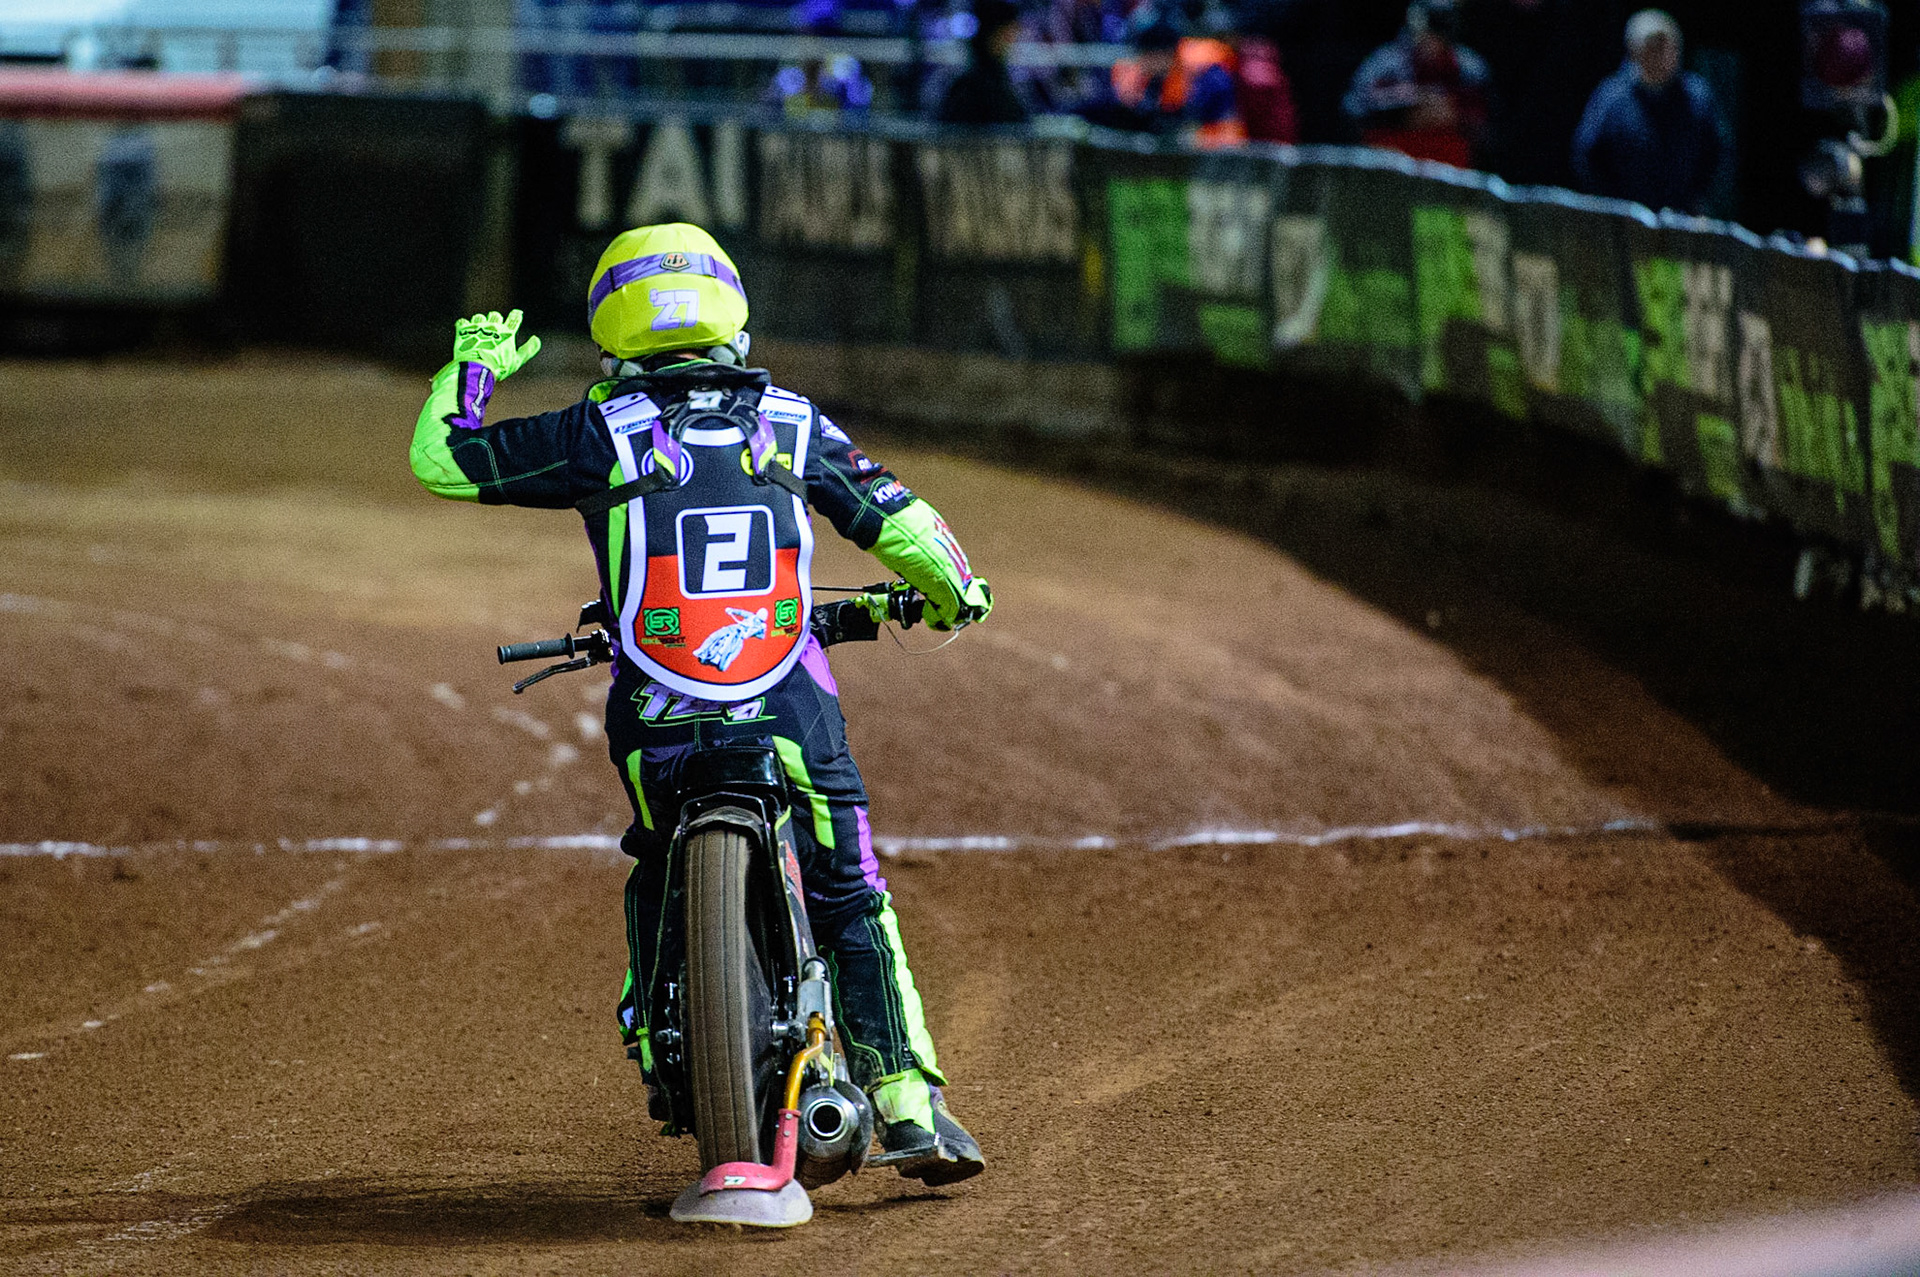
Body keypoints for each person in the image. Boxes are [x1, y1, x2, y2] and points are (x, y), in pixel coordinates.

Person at [407, 223, 993, 1185]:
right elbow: (905, 526)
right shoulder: (795, 425)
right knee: (849, 890)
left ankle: (659, 1031)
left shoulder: (599, 429)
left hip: (660, 715)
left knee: (651, 853)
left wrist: (470, 368)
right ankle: (908, 1103)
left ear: (612, 329)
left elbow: (444, 459)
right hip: (789, 704)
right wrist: (954, 593)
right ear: (734, 319)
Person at [1572, 9, 1723, 215]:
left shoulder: (1696, 97)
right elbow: (1588, 153)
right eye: (1654, 47)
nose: (1662, 55)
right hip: (1624, 219)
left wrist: (1697, 196)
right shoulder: (1612, 97)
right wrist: (1608, 202)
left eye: (1668, 47)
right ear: (1634, 51)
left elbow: (1717, 153)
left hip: (1681, 217)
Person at [1342, 0, 1490, 168]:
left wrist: (1451, 110)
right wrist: (1408, 104)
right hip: (1392, 154)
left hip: (1448, 159)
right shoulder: (1386, 63)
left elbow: (1485, 125)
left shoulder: (1469, 67)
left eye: (1434, 33)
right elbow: (1353, 108)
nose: (1426, 40)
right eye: (1420, 32)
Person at [1086, 8, 1247, 148]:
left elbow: (1229, 134)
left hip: (1205, 157)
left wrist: (1196, 139)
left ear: (1168, 54)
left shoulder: (1210, 78)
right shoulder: (1141, 76)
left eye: (1148, 56)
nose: (1143, 62)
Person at [929, 0, 1033, 125]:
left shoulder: (994, 82)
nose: (1014, 40)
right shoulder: (974, 89)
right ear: (996, 34)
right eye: (1010, 32)